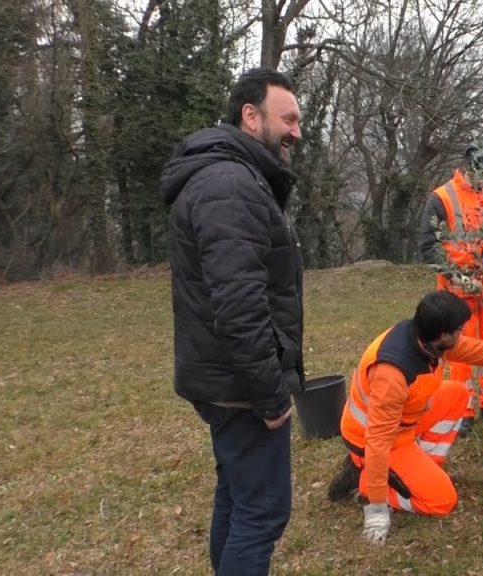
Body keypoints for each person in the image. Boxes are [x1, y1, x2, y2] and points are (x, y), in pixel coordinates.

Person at [160, 67, 303, 575]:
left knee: (240, 498)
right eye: (287, 118)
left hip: (222, 376)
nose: (296, 131)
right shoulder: (230, 185)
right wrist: (270, 395)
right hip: (240, 384)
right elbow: (239, 305)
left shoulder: (229, 177)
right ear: (250, 115)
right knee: (263, 511)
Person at [326, 291, 483, 543]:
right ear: (444, 334)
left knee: (456, 393)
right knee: (442, 500)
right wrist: (377, 511)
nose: (463, 333)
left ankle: (422, 466)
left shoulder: (426, 338)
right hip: (377, 442)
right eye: (460, 329)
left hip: (404, 422)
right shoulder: (392, 374)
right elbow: (377, 443)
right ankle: (370, 484)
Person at [418, 145, 483, 434]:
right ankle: (464, 410)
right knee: (461, 351)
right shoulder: (442, 198)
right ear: (468, 169)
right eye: (481, 175)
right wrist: (456, 275)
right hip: (459, 292)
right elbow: (428, 245)